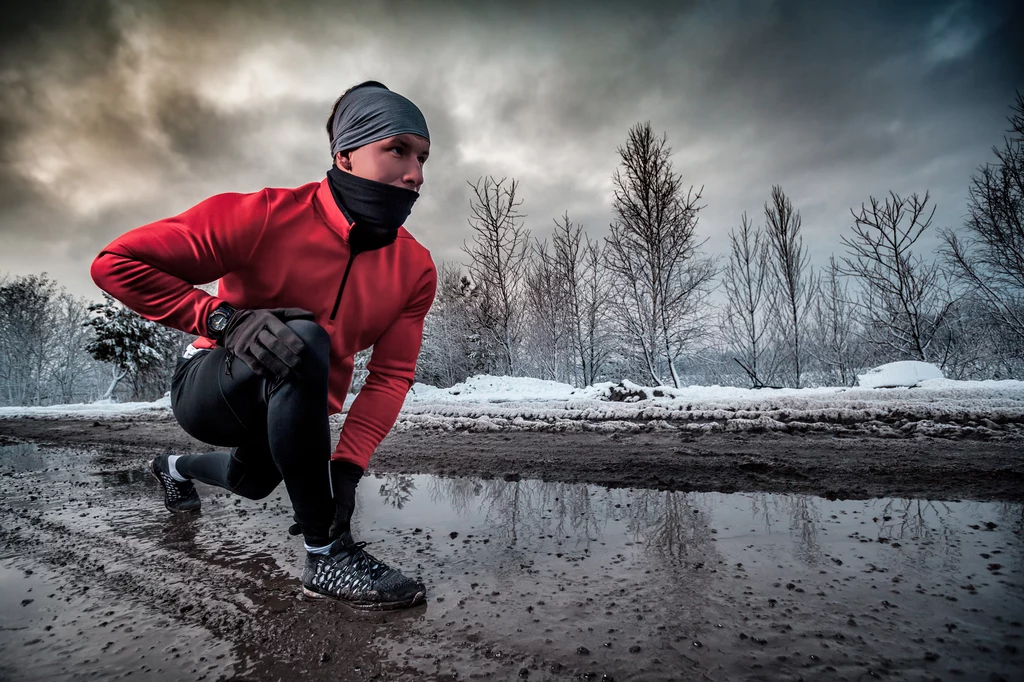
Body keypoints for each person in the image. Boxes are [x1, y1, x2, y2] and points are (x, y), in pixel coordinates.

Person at [90, 81, 437, 611]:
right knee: (300, 335)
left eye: (422, 157)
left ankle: (175, 467)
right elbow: (115, 263)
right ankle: (326, 556)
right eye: (396, 149)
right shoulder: (264, 216)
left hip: (295, 404)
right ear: (344, 153)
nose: (415, 173)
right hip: (212, 383)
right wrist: (222, 319)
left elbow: (389, 377)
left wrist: (346, 468)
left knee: (248, 481)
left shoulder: (415, 269)